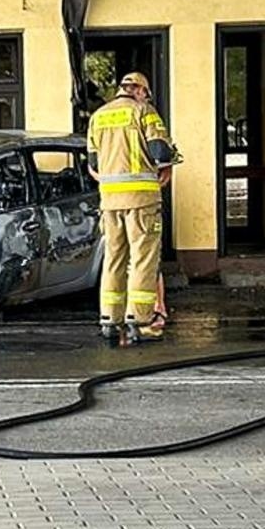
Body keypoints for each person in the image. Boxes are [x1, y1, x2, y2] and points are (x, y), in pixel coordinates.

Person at [87, 71, 176, 346]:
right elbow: (160, 153)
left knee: (114, 259)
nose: (147, 98)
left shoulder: (98, 117)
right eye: (146, 93)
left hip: (110, 202)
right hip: (142, 200)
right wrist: (169, 163)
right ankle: (141, 321)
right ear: (138, 90)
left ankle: (109, 321)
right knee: (143, 259)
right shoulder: (144, 112)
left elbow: (93, 163)